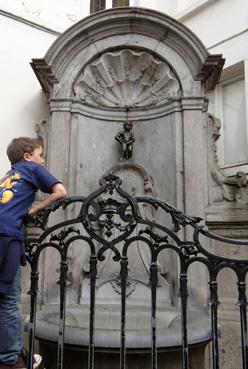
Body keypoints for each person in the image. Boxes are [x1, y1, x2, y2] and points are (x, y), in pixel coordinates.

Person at [0, 137, 67, 368]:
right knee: (8, 300)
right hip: (6, 236)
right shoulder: (33, 168)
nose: (43, 159)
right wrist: (34, 209)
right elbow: (60, 191)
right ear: (28, 156)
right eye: (41, 155)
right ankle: (11, 359)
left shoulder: (7, 176)